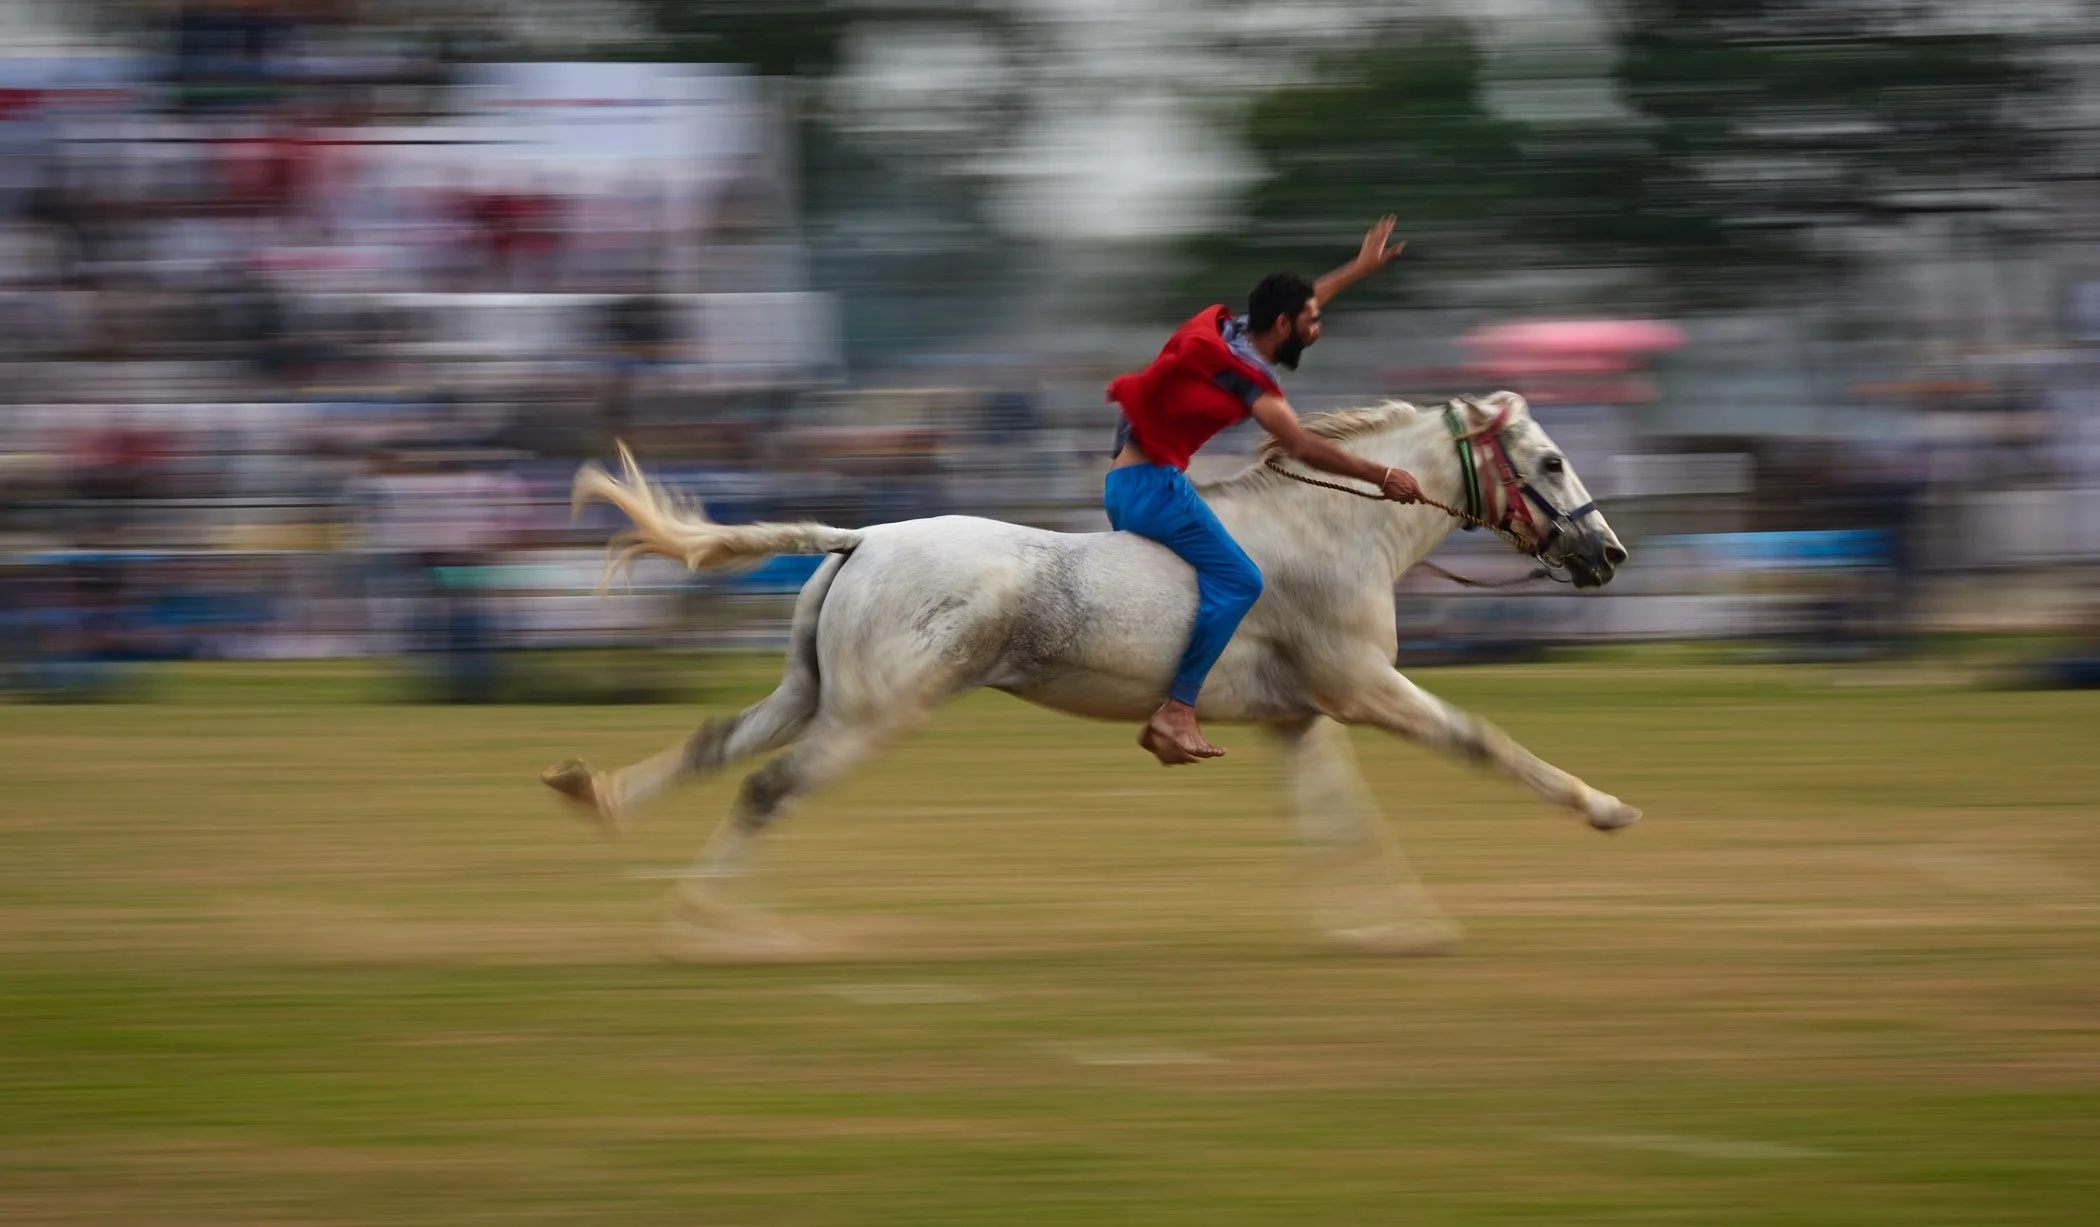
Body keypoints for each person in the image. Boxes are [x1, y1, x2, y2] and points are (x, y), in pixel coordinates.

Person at [1106, 216, 1423, 765]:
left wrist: (1358, 268)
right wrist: (1382, 475)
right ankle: (1177, 710)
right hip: (1150, 488)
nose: (1318, 329)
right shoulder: (1247, 375)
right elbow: (1299, 445)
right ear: (1284, 324)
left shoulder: (1229, 331)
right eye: (1312, 322)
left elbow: (1303, 299)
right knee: (1241, 579)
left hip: (1128, 480)